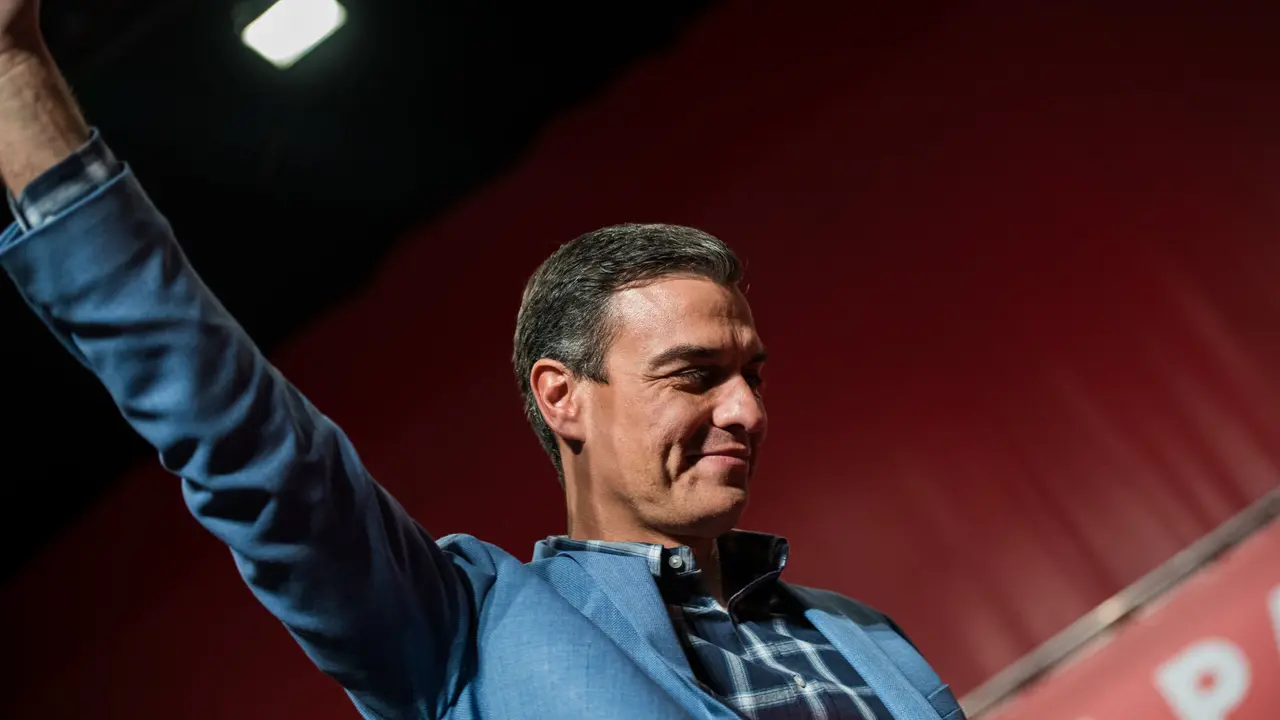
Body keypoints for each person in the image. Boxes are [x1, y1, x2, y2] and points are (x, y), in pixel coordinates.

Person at [0, 3, 962, 719]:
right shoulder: (462, 631)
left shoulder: (861, 638)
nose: (747, 410)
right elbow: (251, 448)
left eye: (753, 374)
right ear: (563, 398)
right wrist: (11, 73)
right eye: (695, 376)